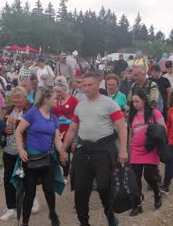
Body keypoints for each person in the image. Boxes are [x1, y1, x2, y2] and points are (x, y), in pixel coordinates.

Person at [60, 74, 128, 226]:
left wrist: (123, 150)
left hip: (104, 150)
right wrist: (63, 149)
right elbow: (72, 129)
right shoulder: (80, 105)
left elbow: (122, 128)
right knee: (80, 188)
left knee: (104, 187)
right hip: (84, 150)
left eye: (90, 85)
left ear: (98, 85)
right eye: (84, 85)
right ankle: (84, 222)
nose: (87, 88)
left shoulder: (109, 104)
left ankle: (110, 216)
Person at [15, 88, 63, 226]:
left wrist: (63, 152)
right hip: (30, 158)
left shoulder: (54, 118)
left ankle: (53, 215)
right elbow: (19, 131)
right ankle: (25, 222)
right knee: (30, 191)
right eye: (54, 98)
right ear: (46, 99)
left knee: (49, 189)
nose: (56, 100)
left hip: (47, 158)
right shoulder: (32, 113)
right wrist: (20, 150)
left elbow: (57, 140)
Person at [128, 90, 166, 216]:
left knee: (149, 176)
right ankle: (137, 205)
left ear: (144, 100)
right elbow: (131, 134)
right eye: (133, 102)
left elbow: (163, 128)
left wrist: (155, 134)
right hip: (136, 150)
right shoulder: (132, 114)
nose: (135, 104)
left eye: (137, 101)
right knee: (135, 179)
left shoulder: (154, 112)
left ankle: (157, 193)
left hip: (150, 149)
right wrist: (128, 151)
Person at [0, 86, 32, 221]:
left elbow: (32, 128)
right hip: (8, 149)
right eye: (15, 97)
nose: (17, 100)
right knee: (7, 179)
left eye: (20, 97)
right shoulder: (8, 110)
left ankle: (26, 203)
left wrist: (16, 122)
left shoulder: (29, 111)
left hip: (23, 150)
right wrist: (4, 130)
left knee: (23, 179)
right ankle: (11, 206)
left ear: (25, 98)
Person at [52, 76, 78, 177]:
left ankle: (65, 175)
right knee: (57, 152)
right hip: (57, 130)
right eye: (56, 92)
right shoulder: (55, 99)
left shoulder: (73, 100)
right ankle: (59, 173)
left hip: (69, 131)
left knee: (66, 151)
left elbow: (77, 116)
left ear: (65, 89)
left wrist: (70, 121)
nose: (58, 94)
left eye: (60, 92)